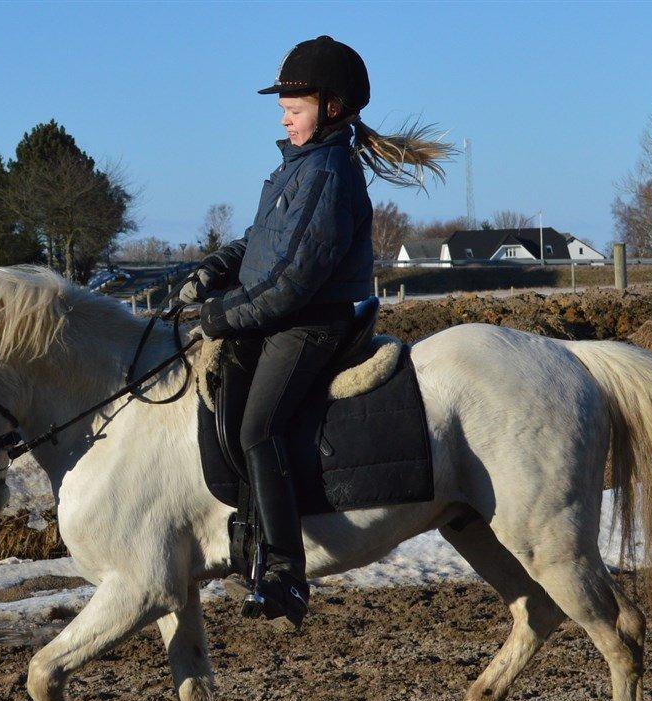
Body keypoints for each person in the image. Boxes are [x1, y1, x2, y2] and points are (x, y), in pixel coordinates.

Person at [178, 35, 452, 627]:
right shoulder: (296, 167)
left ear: (331, 107)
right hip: (284, 316)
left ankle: (283, 572)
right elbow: (260, 242)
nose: (284, 116)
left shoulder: (328, 172)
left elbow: (295, 279)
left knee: (258, 427)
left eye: (293, 107)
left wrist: (222, 315)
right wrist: (215, 268)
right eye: (282, 108)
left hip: (317, 322)